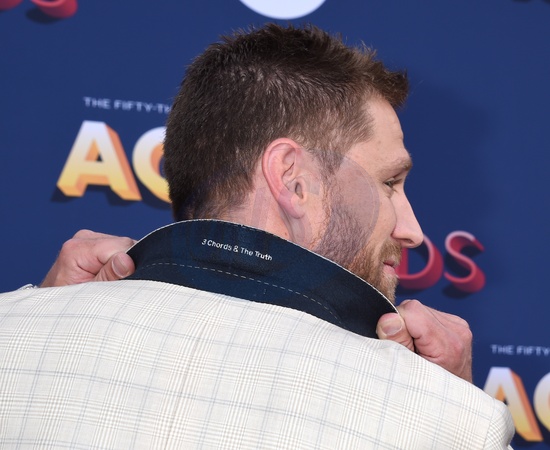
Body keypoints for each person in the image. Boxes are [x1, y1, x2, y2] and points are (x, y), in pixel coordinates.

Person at [0, 24, 514, 448]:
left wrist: (36, 329)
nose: (413, 231)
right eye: (389, 183)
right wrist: (450, 414)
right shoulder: (447, 418)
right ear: (293, 180)